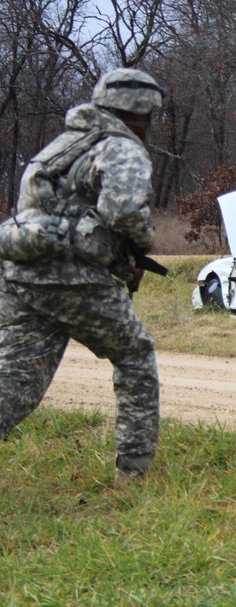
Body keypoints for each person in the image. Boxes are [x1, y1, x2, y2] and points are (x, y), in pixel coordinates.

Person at [0, 68, 166, 481]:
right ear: (139, 114)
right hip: (72, 279)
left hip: (19, 275)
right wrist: (143, 242)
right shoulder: (121, 148)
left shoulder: (62, 146)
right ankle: (133, 474)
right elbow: (125, 211)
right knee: (135, 355)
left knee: (14, 384)